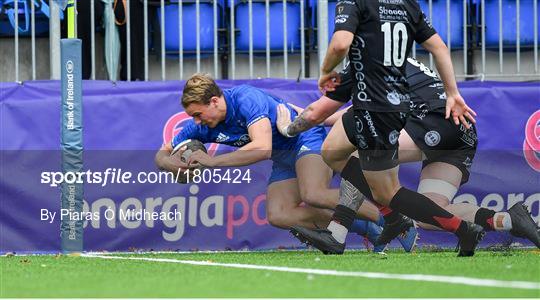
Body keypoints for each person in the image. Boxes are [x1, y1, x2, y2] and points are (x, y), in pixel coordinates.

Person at [277, 58, 540, 253]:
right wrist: (313, 118)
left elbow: (335, 112)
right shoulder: (395, 54)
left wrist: (295, 125)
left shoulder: (364, 55)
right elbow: (345, 112)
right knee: (433, 213)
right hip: (459, 131)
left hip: (433, 121)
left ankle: (339, 233)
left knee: (362, 150)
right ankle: (509, 219)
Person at [286, 0, 485, 256]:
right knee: (334, 151)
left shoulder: (354, 5)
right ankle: (371, 225)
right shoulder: (406, 5)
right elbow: (439, 47)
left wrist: (324, 73)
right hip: (392, 108)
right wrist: (452, 92)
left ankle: (457, 228)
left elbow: (339, 45)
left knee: (388, 192)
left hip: (375, 111)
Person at [154, 73, 403, 251]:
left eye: (198, 114)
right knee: (279, 214)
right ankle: (367, 229)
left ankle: (393, 220)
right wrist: (172, 165)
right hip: (283, 157)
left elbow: (262, 148)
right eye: (192, 117)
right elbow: (160, 154)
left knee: (313, 193)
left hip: (305, 138)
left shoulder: (245, 99)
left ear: (215, 101)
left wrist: (212, 162)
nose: (196, 122)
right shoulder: (202, 126)